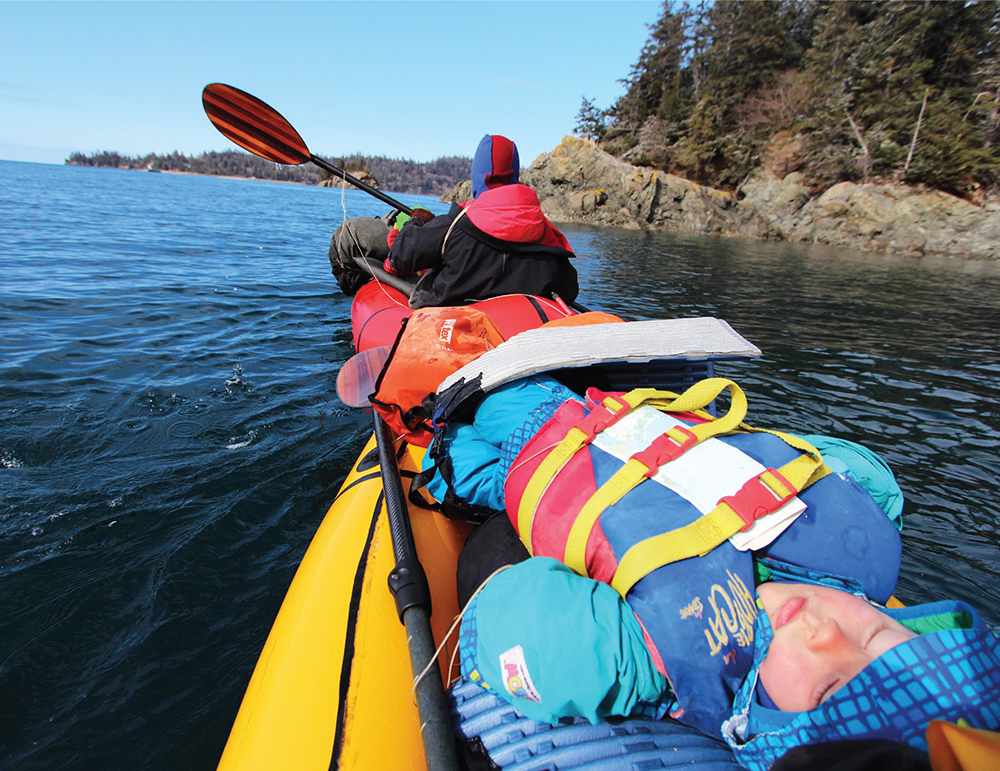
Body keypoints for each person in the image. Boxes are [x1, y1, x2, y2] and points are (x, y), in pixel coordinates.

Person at [419, 373, 1000, 769]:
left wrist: (618, 658)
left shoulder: (667, 657)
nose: (831, 636)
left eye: (832, 686)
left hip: (542, 459)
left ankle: (441, 433)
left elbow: (520, 612)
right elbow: (855, 467)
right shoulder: (853, 544)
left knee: (461, 451)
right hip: (618, 421)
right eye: (875, 632)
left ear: (765, 729)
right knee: (500, 395)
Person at [383, 134, 579, 309]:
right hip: (526, 334)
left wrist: (414, 222)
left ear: (479, 176)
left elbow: (398, 259)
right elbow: (570, 290)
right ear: (515, 176)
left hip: (456, 333)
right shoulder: (546, 233)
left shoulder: (455, 223)